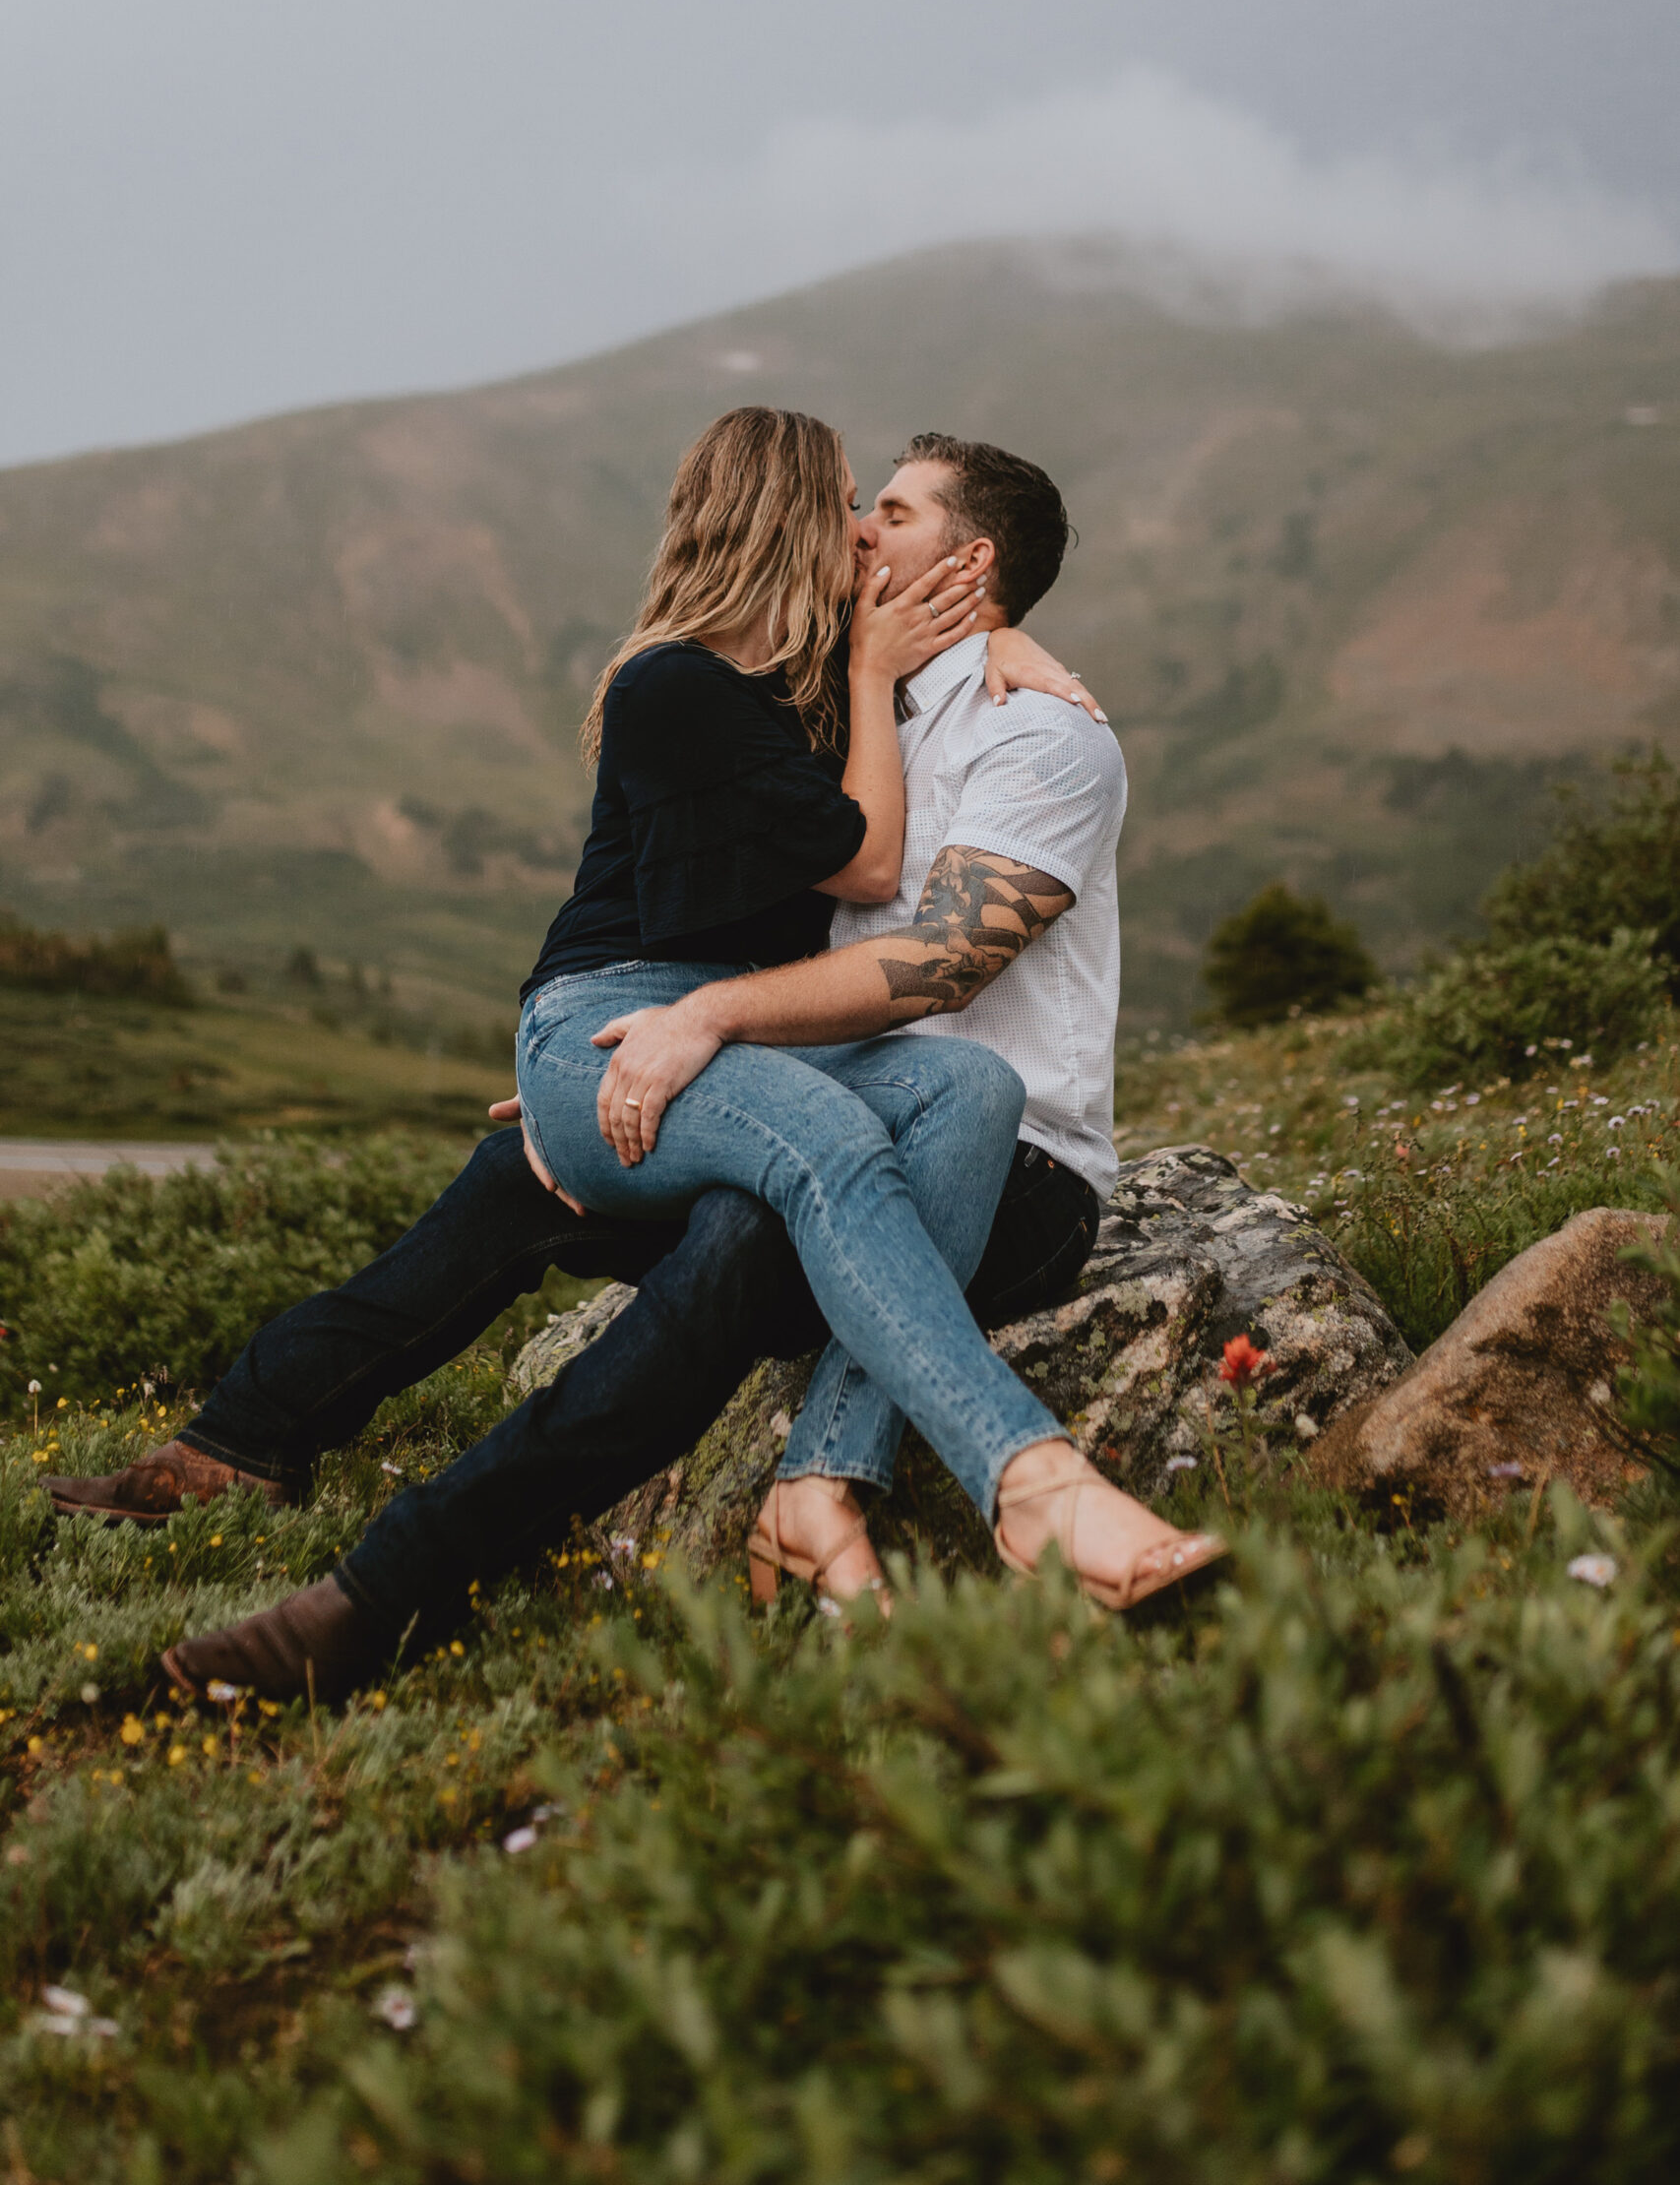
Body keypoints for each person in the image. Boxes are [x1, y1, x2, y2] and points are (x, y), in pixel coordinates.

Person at [49, 412, 1222, 1701]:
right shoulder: (834, 694)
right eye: (851, 506)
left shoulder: (1040, 733)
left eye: (887, 513)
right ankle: (241, 1440)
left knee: (770, 1219)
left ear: (970, 562)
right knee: (517, 1181)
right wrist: (646, 1053)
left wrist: (704, 1026)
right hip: (819, 1097)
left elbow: (937, 963)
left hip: (1009, 1172)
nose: (853, 527)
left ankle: (387, 1596)